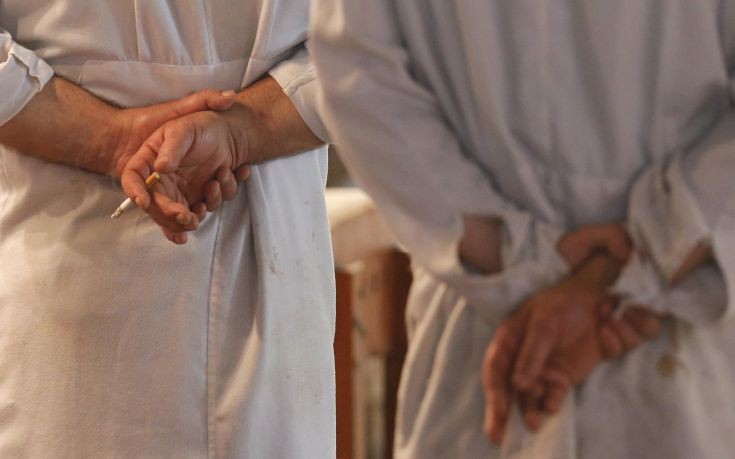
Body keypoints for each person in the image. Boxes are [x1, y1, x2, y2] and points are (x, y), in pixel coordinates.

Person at [311, 1, 735, 458]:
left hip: (494, 324)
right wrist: (640, 257)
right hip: (673, 312)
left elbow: (355, 76)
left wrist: (515, 254)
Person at [0, 1, 335, 457]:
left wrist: (115, 138)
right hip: (68, 273)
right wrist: (239, 130)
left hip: (258, 254)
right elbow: (382, 49)